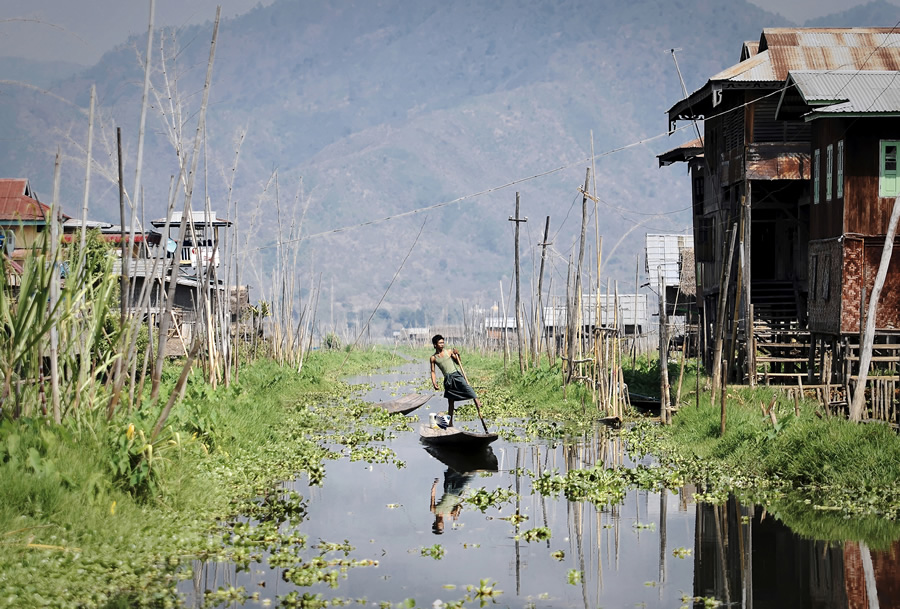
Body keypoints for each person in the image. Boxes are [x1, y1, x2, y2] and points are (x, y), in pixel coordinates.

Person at [429, 334, 483, 427]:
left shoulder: (449, 352)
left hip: (456, 375)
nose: (442, 344)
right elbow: (433, 371)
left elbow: (458, 362)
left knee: (467, 387)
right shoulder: (433, 358)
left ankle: (477, 401)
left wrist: (457, 354)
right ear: (435, 345)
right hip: (448, 379)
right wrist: (434, 382)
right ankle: (450, 423)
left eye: (443, 342)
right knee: (451, 401)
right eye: (440, 343)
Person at [429, 468, 472, 534]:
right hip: (456, 493)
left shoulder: (434, 510)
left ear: (435, 523)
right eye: (442, 525)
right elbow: (458, 507)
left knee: (451, 473)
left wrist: (434, 484)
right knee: (467, 476)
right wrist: (456, 515)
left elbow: (433, 496)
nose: (441, 522)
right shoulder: (448, 516)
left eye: (439, 524)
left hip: (448, 490)